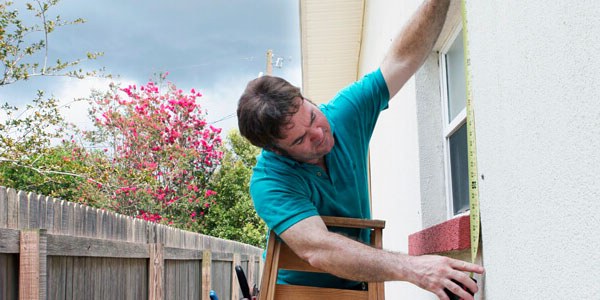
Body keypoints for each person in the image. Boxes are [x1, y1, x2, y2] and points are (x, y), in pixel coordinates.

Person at [236, 0, 484, 299]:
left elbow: (401, 60)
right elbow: (319, 248)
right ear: (276, 151)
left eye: (313, 115)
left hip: (361, 287)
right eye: (300, 140)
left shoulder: (343, 114)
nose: (319, 134)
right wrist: (415, 269)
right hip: (296, 293)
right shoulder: (269, 182)